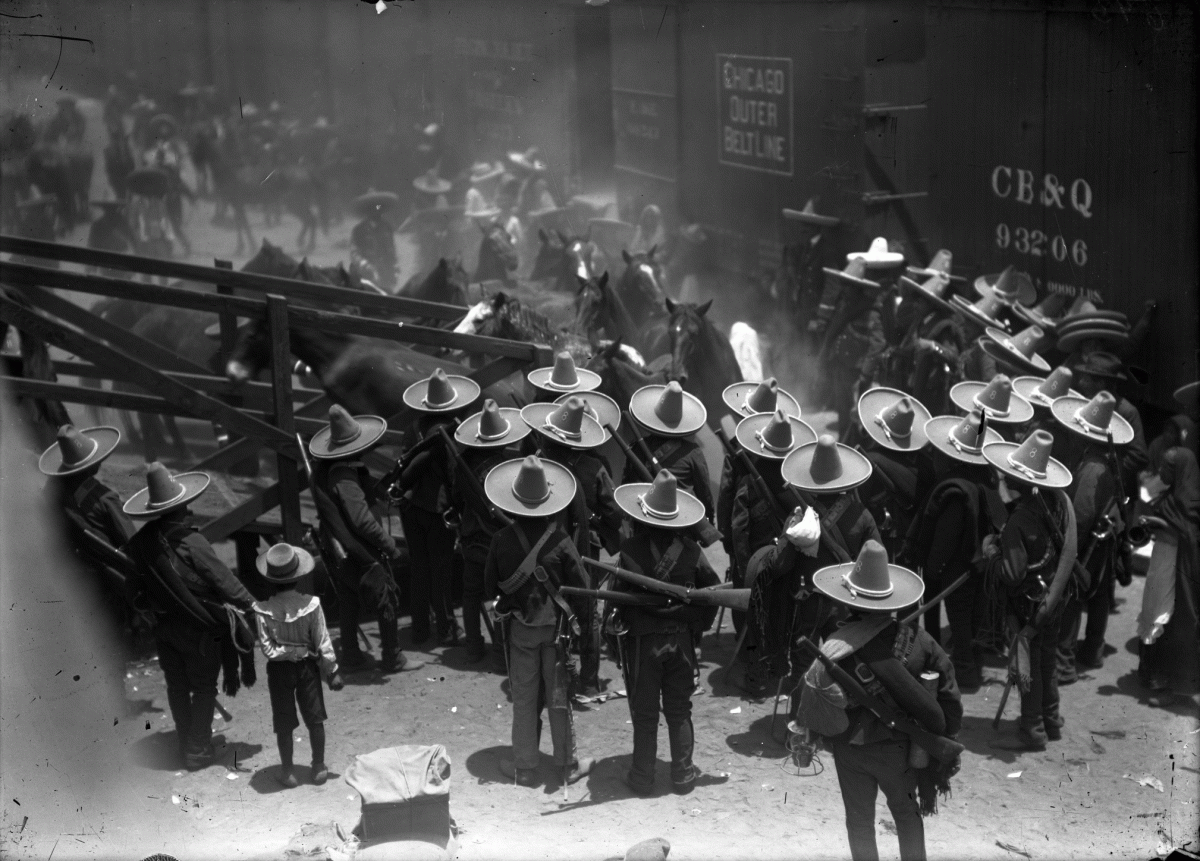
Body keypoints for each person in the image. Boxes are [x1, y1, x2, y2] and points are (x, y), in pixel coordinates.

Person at [802, 540, 962, 861]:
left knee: (859, 821)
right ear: (892, 599)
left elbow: (819, 703)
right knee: (906, 815)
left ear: (849, 601)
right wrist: (944, 736)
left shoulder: (835, 645)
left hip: (848, 749)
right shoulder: (919, 640)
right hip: (899, 751)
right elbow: (949, 699)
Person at [123, 463, 255, 770]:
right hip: (197, 630)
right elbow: (223, 580)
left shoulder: (143, 543)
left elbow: (134, 587)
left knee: (177, 687)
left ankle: (186, 743)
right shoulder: (191, 542)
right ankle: (197, 750)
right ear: (184, 504)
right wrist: (251, 604)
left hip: (164, 628)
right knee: (204, 687)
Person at [483, 455, 594, 788]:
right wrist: (585, 633)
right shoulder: (560, 540)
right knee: (559, 699)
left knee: (524, 700)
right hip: (557, 632)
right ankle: (568, 765)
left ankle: (525, 768)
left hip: (520, 632)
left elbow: (489, 591)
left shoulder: (501, 540)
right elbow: (583, 588)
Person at [614, 470, 722, 796]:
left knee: (646, 714)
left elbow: (618, 606)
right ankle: (684, 777)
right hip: (682, 641)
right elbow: (713, 593)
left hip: (644, 643)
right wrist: (696, 629)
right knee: (679, 711)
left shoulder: (629, 550)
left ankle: (643, 779)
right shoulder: (690, 551)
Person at [521, 396, 622, 695]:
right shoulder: (594, 467)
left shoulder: (536, 461)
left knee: (549, 607)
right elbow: (614, 513)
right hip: (582, 548)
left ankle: (552, 680)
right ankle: (589, 682)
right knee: (588, 609)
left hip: (541, 547)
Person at [981, 429, 1076, 750]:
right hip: (1055, 598)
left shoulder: (1020, 520)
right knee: (1047, 662)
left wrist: (992, 552)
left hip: (1029, 606)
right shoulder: (1057, 503)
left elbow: (1011, 574)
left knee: (1029, 668)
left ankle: (1032, 729)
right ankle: (1052, 720)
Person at [308, 405, 418, 674]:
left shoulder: (332, 470)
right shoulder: (344, 476)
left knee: (349, 600)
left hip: (341, 547)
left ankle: (352, 655)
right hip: (358, 549)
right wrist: (388, 545)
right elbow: (361, 520)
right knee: (386, 598)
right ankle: (392, 657)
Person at [906, 409, 1006, 690]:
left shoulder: (954, 491)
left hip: (959, 571)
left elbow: (945, 539)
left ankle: (966, 676)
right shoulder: (988, 481)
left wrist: (934, 569)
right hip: (983, 568)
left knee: (961, 625)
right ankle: (974, 667)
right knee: (975, 621)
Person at [718, 410, 817, 692]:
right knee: (784, 617)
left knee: (755, 621)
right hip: (788, 562)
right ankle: (783, 674)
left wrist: (743, 567)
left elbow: (739, 528)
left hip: (757, 565)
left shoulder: (749, 482)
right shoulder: (795, 481)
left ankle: (756, 678)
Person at [1050, 391, 1133, 682]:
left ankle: (1063, 664)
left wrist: (1067, 545)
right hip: (1105, 540)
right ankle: (1093, 651)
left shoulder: (1093, 469)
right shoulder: (1108, 463)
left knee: (1073, 595)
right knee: (1098, 596)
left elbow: (1082, 516)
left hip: (1089, 542)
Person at [395, 369, 480, 647]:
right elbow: (454, 474)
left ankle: (419, 629)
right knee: (441, 571)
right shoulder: (452, 432)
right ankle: (445, 628)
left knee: (419, 568)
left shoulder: (414, 427)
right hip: (438, 510)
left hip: (410, 506)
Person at [253, 543, 344, 788]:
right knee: (315, 718)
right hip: (307, 668)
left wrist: (287, 652)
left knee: (284, 722)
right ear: (299, 576)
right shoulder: (311, 605)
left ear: (271, 580)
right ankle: (318, 765)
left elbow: (268, 650)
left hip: (279, 671)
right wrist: (331, 670)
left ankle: (287, 771)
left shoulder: (263, 611)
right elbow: (322, 640)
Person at [450, 398, 531, 664]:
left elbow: (456, 503)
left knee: (471, 594)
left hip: (474, 538)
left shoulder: (463, 467)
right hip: (501, 539)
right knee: (503, 594)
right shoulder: (508, 465)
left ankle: (473, 647)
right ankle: (500, 652)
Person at [1135, 444, 1200, 702]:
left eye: (1167, 468)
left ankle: (1164, 678)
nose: (1162, 471)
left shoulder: (1188, 499)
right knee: (1154, 609)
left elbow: (1184, 531)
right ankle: (1153, 673)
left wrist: (1156, 523)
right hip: (1163, 559)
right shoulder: (1173, 494)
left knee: (1166, 615)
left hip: (1177, 565)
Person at [854, 388, 935, 560]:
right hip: (913, 545)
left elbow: (857, 505)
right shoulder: (926, 463)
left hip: (878, 544)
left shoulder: (870, 461)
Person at [350, 190, 400, 292]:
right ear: (367, 211)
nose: (377, 210)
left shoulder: (387, 228)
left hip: (386, 275)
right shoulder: (359, 230)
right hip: (365, 277)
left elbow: (392, 250)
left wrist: (395, 269)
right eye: (373, 207)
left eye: (379, 207)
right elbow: (354, 253)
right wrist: (366, 266)